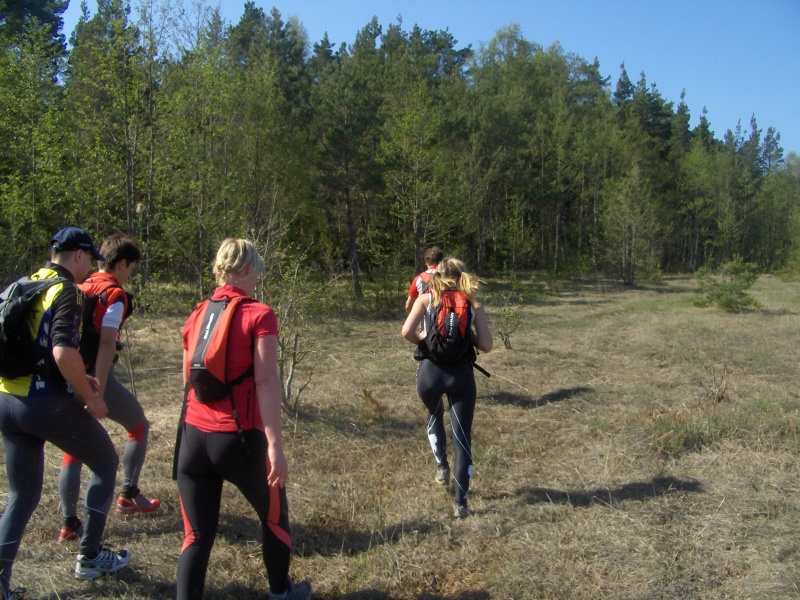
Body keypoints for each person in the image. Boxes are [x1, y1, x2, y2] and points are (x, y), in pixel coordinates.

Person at [176, 238, 311, 600]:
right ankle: (281, 593)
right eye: (257, 275)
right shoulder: (259, 314)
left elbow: (187, 378)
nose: (256, 282)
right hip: (239, 438)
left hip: (192, 439)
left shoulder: (196, 313)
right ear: (248, 269)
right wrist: (275, 447)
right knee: (274, 519)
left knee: (196, 536)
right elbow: (266, 382)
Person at [0, 227, 130, 598]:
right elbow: (62, 352)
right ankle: (90, 556)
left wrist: (73, 376)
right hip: (42, 402)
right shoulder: (67, 291)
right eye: (89, 260)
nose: (90, 268)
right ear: (78, 255)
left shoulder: (21, 284)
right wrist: (91, 398)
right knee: (105, 462)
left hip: (7, 400)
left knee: (22, 495)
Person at [57, 234, 159, 544]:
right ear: (122, 263)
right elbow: (106, 342)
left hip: (69, 376)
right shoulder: (114, 294)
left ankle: (69, 523)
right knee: (139, 427)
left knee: (74, 446)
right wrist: (97, 394)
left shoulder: (80, 285)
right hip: (95, 378)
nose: (130, 275)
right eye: (131, 269)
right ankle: (129, 494)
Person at [401, 257, 493, 518]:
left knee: (434, 415)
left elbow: (406, 332)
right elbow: (486, 345)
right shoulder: (473, 304)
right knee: (462, 439)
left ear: (437, 276)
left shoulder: (426, 299)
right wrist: (467, 336)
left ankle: (442, 468)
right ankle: (461, 504)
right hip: (461, 375)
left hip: (429, 373)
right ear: (463, 276)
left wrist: (426, 339)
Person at [405, 245, 443, 314]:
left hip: (424, 317)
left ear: (427, 261)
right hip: (444, 317)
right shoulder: (447, 278)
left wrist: (415, 317)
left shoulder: (419, 279)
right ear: (441, 261)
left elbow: (408, 306)